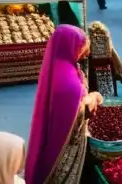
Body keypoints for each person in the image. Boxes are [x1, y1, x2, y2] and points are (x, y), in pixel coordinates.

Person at [25, 25, 102, 184]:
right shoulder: (68, 81)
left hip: (51, 134)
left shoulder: (58, 65)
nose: (84, 50)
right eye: (81, 45)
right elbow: (78, 114)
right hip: (66, 146)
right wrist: (93, 98)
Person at [86, 22, 122, 97]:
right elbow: (116, 58)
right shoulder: (107, 42)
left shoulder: (89, 42)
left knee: (96, 98)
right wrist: (121, 72)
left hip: (93, 74)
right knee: (109, 96)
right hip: (108, 73)